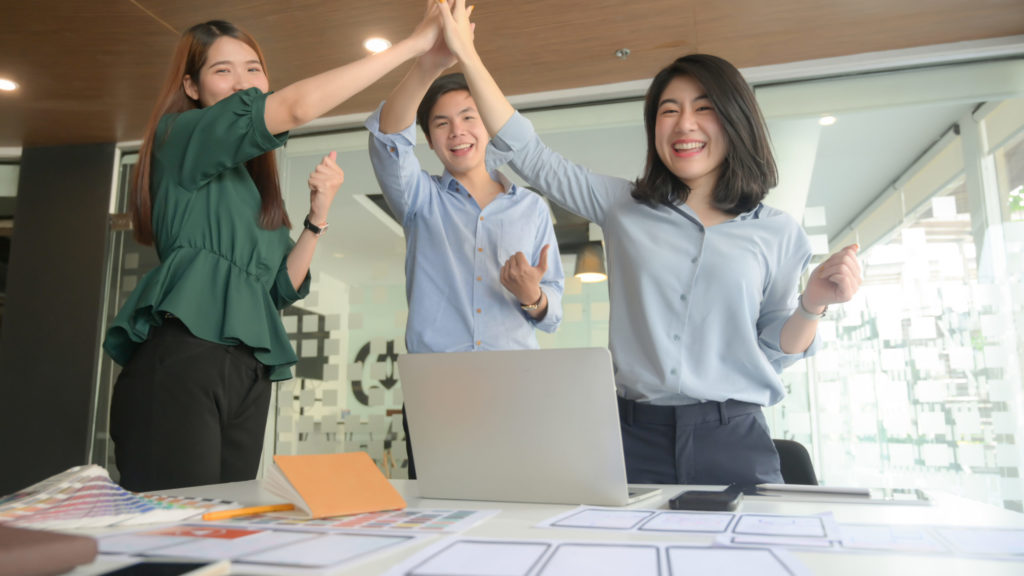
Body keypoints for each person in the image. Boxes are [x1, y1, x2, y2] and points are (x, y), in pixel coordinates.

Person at [434, 0, 861, 486]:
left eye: (704, 109)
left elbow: (773, 349)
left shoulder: (778, 231)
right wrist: (467, 56)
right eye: (668, 111)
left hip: (733, 437)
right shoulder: (623, 207)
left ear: (736, 121)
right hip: (632, 437)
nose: (684, 125)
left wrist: (812, 305)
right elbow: (530, 154)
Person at [103, 4, 447, 492]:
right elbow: (298, 108)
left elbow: (279, 287)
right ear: (191, 87)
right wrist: (415, 46)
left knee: (225, 532)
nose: (243, 81)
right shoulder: (180, 138)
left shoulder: (246, 184)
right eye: (223, 70)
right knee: (177, 541)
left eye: (253, 69)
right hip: (185, 357)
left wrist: (318, 215)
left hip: (247, 372)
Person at [365, 25, 564, 478]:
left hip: (516, 388)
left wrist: (533, 295)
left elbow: (553, 313)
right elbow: (387, 138)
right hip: (437, 389)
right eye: (441, 123)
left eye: (470, 117)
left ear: (489, 127)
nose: (458, 131)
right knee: (438, 513)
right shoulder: (418, 199)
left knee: (515, 510)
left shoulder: (531, 208)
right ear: (431, 141)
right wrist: (428, 63)